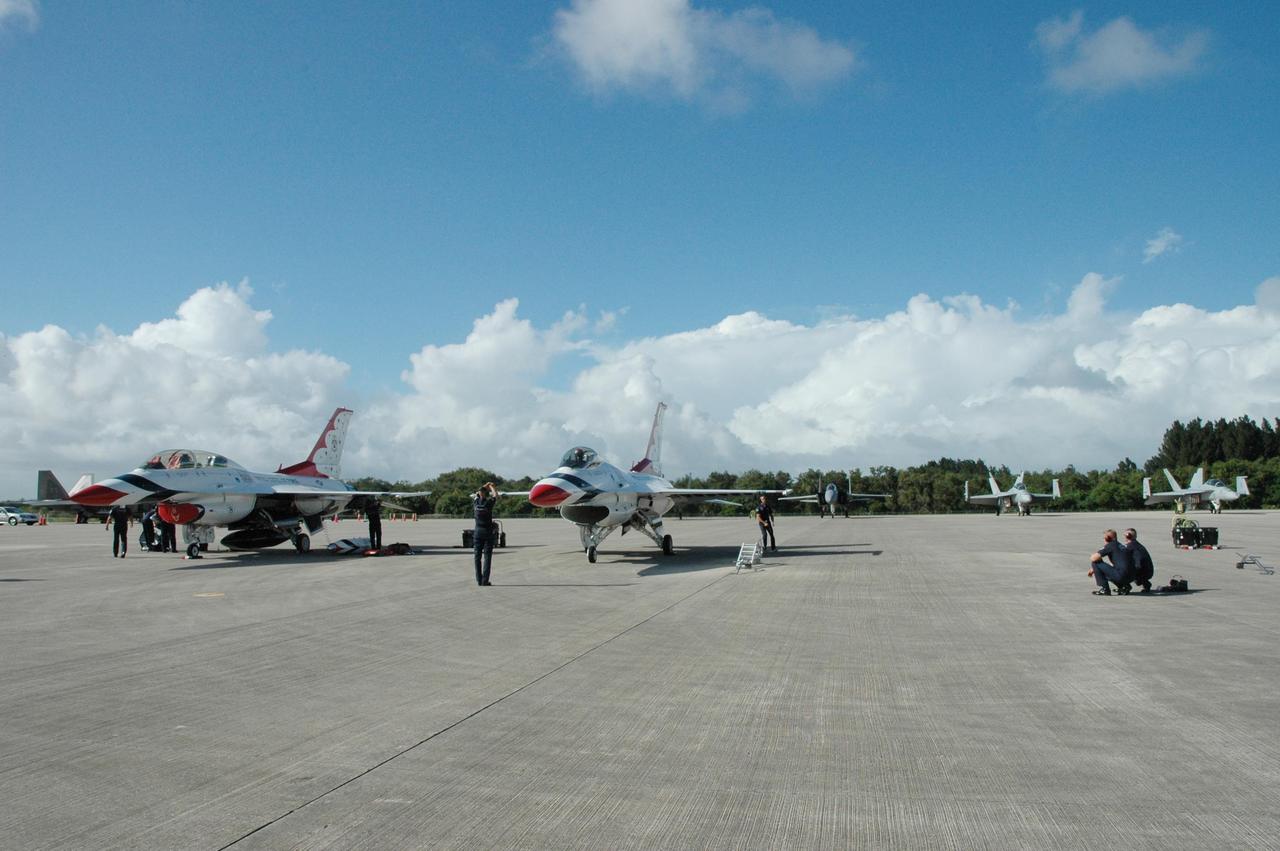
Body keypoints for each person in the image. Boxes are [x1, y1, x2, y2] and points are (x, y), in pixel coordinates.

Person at [1088, 528, 1133, 595]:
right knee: (1109, 570)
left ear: (1108, 538)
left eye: (1104, 538)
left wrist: (1093, 567)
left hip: (1122, 576)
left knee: (1096, 562)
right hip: (1131, 576)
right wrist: (1093, 570)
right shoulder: (1121, 546)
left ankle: (1105, 589)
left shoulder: (1110, 545)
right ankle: (1124, 586)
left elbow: (1093, 558)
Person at [473, 482, 498, 586]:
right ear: (485, 494)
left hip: (477, 532)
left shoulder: (475, 503)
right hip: (487, 531)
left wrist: (485, 485)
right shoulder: (488, 503)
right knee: (487, 557)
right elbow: (495, 495)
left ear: (479, 493)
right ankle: (485, 580)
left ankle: (479, 580)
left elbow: (477, 493)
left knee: (477, 557)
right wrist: (491, 486)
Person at [1124, 528, 1155, 593]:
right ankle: (1145, 583)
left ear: (1127, 536)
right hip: (1149, 571)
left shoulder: (1130, 546)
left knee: (1121, 570)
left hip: (1142, 572)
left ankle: (1126, 586)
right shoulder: (1138, 545)